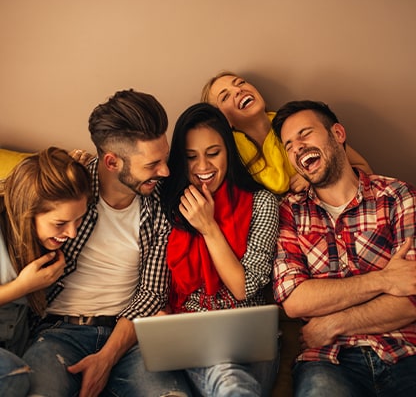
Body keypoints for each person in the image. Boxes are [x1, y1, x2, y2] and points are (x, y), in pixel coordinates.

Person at [23, 90, 192, 397]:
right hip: (58, 333)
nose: (165, 171)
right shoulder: (70, 190)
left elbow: (152, 292)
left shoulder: (162, 202)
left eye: (164, 159)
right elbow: (17, 207)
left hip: (129, 338)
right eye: (152, 164)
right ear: (112, 161)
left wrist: (107, 357)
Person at [272, 100, 416, 397]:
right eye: (288, 145)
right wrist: (385, 279)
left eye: (305, 134)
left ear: (337, 133)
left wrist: (334, 322)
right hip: (328, 362)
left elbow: (411, 296)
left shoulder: (398, 195)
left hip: (405, 351)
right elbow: (295, 300)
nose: (297, 147)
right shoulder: (290, 212)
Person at [161, 102, 280, 396]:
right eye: (191, 157)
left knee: (230, 382)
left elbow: (244, 287)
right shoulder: (167, 206)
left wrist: (209, 227)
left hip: (246, 335)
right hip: (191, 332)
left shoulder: (262, 203)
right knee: (228, 382)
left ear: (228, 150)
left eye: (213, 153)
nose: (203, 167)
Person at [0, 147, 91, 397]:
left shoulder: (45, 243)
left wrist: (71, 172)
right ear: (26, 212)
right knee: (13, 374)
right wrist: (22, 287)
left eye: (79, 219)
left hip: (14, 346)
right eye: (60, 224)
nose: (72, 233)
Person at [201, 71, 373, 194]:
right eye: (225, 96)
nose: (238, 90)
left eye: (240, 83)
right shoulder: (229, 157)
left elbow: (364, 168)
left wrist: (314, 176)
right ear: (223, 120)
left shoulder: (297, 126)